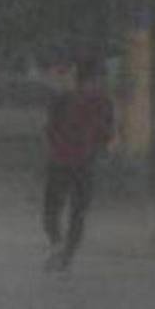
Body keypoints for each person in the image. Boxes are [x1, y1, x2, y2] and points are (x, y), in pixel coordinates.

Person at [43, 56, 115, 272]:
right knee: (74, 211)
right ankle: (64, 252)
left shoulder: (65, 99)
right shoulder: (103, 103)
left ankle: (60, 249)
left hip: (65, 162)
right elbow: (106, 134)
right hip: (78, 163)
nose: (100, 84)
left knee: (59, 210)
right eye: (99, 78)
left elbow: (50, 129)